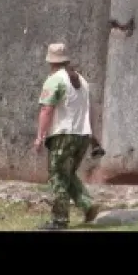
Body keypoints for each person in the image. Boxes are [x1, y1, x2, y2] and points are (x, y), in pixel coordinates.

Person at [33, 42, 101, 230]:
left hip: (64, 135)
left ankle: (59, 220)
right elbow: (90, 110)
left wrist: (40, 136)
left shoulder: (55, 79)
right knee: (68, 174)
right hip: (83, 135)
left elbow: (47, 109)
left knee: (58, 177)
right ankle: (88, 205)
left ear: (50, 61)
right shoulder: (82, 80)